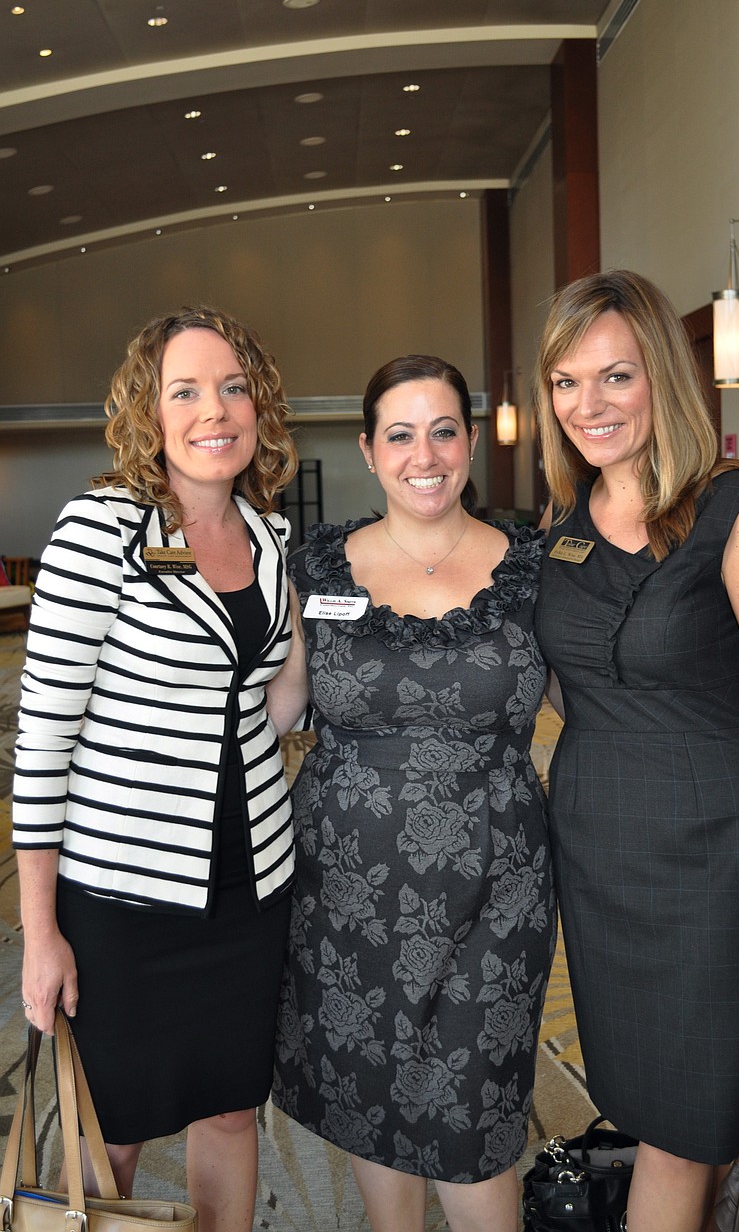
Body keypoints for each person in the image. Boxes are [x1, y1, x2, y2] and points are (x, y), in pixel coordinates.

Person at [532, 270, 739, 1232]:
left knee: (693, 1123)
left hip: (714, 864)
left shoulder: (736, 512)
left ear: (662, 374)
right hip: (600, 865)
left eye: (615, 376)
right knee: (642, 1104)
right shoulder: (561, 527)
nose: (590, 405)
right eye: (566, 382)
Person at [12, 305, 308, 1232]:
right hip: (124, 897)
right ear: (149, 410)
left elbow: (273, 703)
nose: (212, 408)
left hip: (250, 884)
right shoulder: (102, 531)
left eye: (231, 385)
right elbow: (43, 740)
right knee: (118, 1129)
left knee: (228, 1106)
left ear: (258, 404)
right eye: (184, 389)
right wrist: (39, 929)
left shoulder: (267, 542)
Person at [268, 355, 556, 1232]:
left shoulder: (537, 568)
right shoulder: (315, 568)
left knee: (476, 1128)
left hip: (496, 899)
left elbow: (603, 704)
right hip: (348, 895)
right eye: (400, 433)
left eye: (442, 430)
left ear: (470, 443)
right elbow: (272, 711)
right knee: (373, 1107)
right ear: (368, 448)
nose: (422, 453)